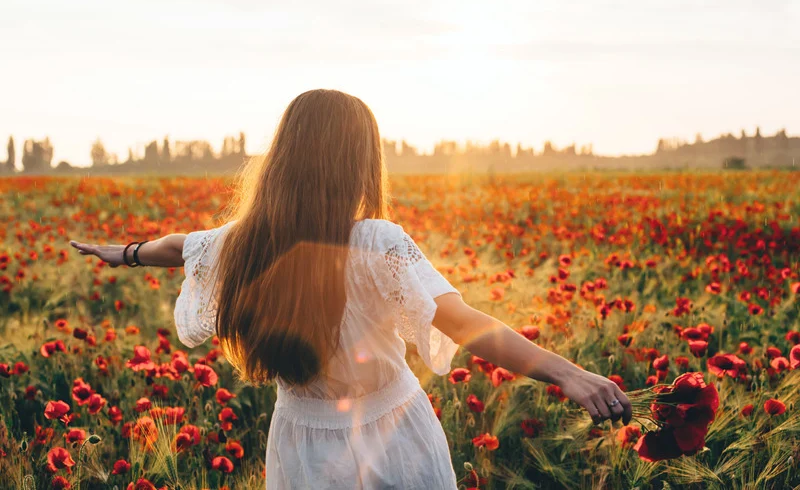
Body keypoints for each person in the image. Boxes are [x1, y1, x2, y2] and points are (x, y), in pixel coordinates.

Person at [70, 89, 631, 489]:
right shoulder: (376, 243)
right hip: (395, 439)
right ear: (359, 162)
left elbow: (178, 245)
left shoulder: (241, 242)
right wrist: (568, 373)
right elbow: (461, 322)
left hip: (301, 447)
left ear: (283, 159)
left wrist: (124, 255)